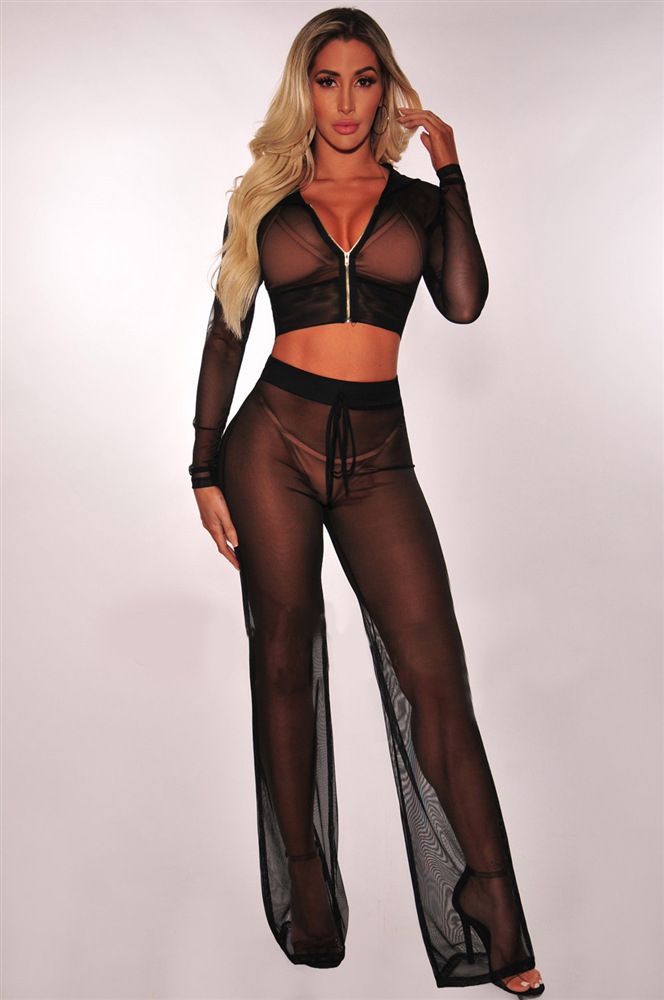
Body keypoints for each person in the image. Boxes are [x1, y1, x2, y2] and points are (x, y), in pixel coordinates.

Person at [188, 7, 545, 995]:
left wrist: (453, 172)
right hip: (271, 442)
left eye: (363, 79)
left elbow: (463, 302)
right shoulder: (265, 200)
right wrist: (203, 468)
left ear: (385, 88)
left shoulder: (419, 204)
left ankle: (492, 907)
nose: (345, 102)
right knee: (283, 660)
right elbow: (226, 330)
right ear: (305, 90)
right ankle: (306, 886)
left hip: (379, 455)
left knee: (436, 675)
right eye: (327, 80)